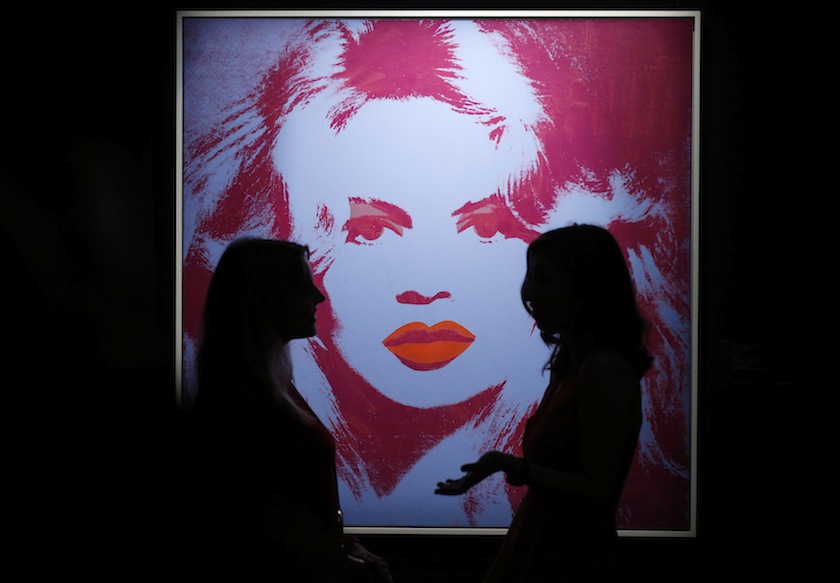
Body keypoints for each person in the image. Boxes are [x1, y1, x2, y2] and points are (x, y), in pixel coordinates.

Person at [181, 17, 693, 530]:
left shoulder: (593, 380)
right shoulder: (267, 398)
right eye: (372, 233)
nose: (425, 291)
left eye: (485, 229)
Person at [436, 224, 654, 582]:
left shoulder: (603, 369)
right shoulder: (571, 366)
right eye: (530, 277)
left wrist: (510, 466)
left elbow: (597, 490)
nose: (529, 292)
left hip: (570, 560)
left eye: (544, 279)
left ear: (586, 285)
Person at [188, 237, 392, 582]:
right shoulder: (243, 401)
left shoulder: (267, 386)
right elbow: (259, 530)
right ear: (265, 297)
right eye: (303, 287)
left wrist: (345, 546)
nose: (318, 297)